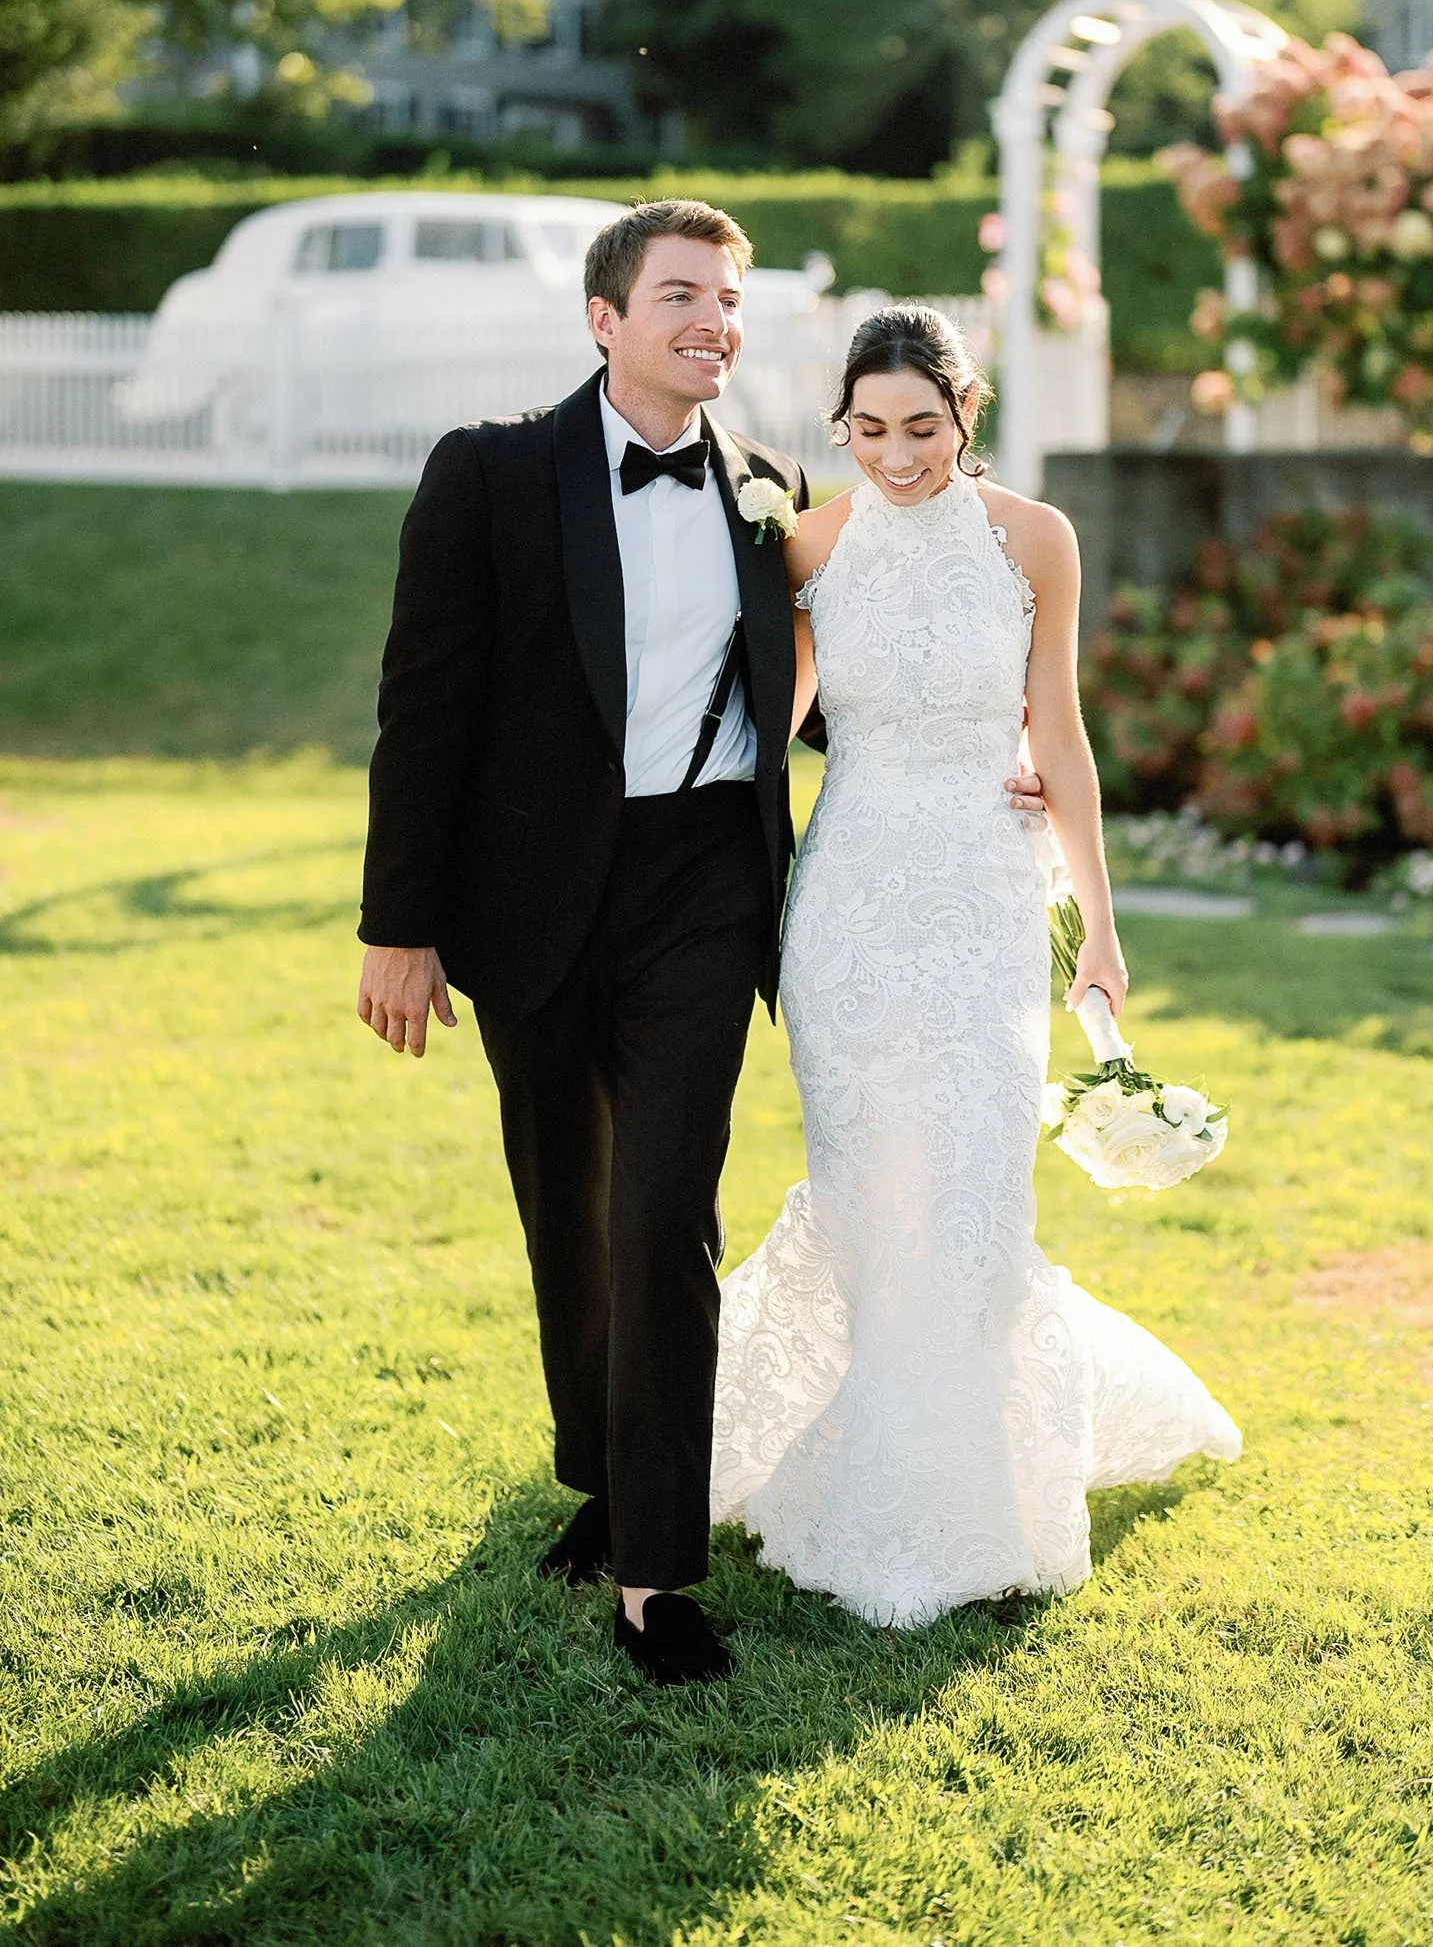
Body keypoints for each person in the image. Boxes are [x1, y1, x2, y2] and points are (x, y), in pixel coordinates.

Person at [355, 204, 1047, 1687]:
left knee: (666, 1205)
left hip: (699, 889)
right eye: (680, 296)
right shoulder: (487, 471)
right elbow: (424, 704)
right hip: (532, 894)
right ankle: (602, 1476)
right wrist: (398, 927)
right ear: (603, 319)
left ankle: (655, 1574)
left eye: (727, 302)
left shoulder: (775, 489)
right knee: (571, 1207)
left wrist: (1003, 762)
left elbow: (840, 676)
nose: (712, 322)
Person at [711, 305, 1241, 1628]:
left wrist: (1101, 932)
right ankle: (863, 1472)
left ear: (967, 416)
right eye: (869, 429)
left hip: (985, 905)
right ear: (840, 424)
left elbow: (1054, 730)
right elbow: (765, 735)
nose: (896, 455)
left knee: (967, 1188)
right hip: (847, 909)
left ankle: (974, 1498)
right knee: (869, 1186)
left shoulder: (1035, 539)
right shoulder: (806, 549)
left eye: (923, 428)